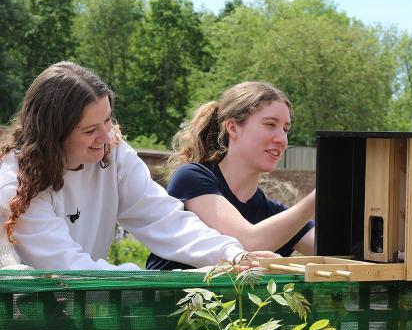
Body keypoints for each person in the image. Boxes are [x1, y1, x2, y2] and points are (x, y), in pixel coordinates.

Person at [0, 62, 275, 270]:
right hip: (23, 327)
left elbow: (162, 218)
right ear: (53, 135)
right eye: (89, 130)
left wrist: (231, 253)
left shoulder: (114, 155)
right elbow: (68, 267)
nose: (106, 137)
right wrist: (142, 280)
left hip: (82, 315)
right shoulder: (15, 187)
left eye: (107, 120)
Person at [147, 81, 315, 270]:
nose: (281, 139)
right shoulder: (192, 178)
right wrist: (320, 196)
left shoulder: (274, 214)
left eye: (285, 129)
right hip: (169, 300)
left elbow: (338, 252)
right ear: (233, 128)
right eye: (270, 125)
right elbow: (245, 244)